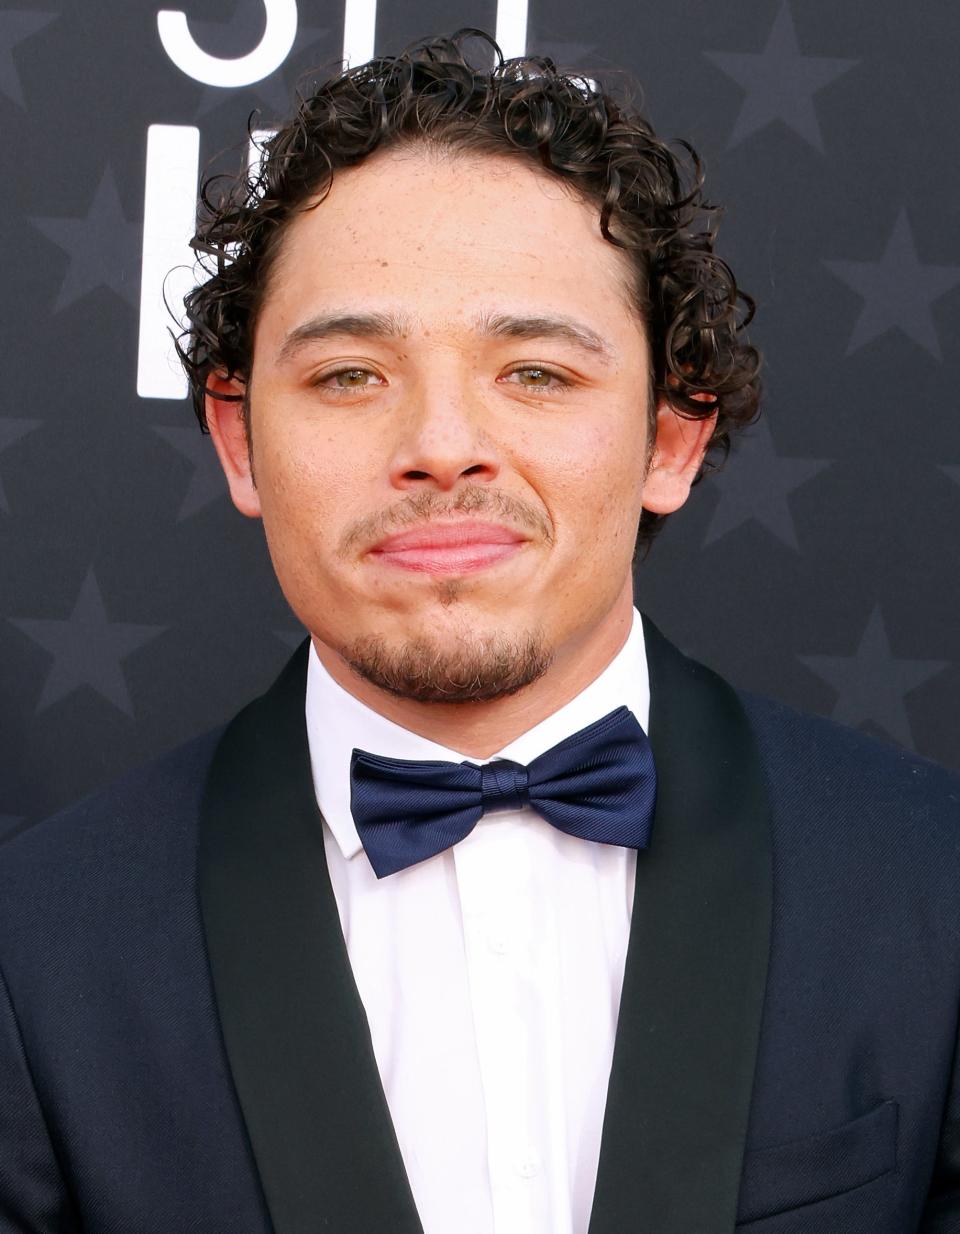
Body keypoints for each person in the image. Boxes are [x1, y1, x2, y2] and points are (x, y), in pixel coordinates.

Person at [0, 28, 957, 1234]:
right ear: (240, 440)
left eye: (538, 374)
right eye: (351, 373)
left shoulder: (936, 889)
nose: (442, 442)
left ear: (672, 435)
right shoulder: (32, 950)